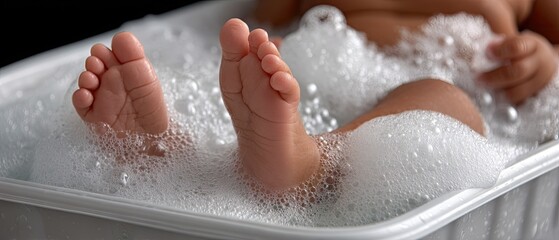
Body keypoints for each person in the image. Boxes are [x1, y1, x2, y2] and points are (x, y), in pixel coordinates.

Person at [71, 0, 558, 191]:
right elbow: (271, 11)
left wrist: (544, 60)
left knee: (443, 101)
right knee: (252, 76)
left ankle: (309, 166)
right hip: (312, 78)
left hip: (447, 91)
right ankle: (170, 153)